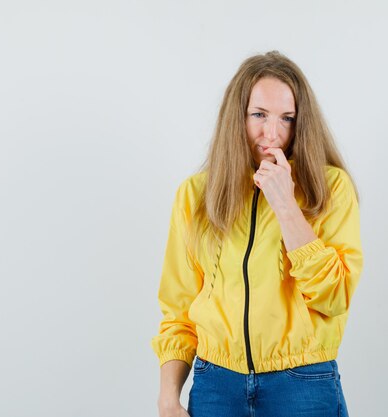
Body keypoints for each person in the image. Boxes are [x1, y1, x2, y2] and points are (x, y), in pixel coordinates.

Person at [150, 50, 363, 417]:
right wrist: (169, 397)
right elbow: (178, 310)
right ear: (237, 117)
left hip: (302, 384)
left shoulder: (330, 188)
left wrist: (285, 204)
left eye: (287, 118)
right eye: (259, 115)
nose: (273, 134)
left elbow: (334, 296)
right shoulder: (195, 195)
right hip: (216, 384)